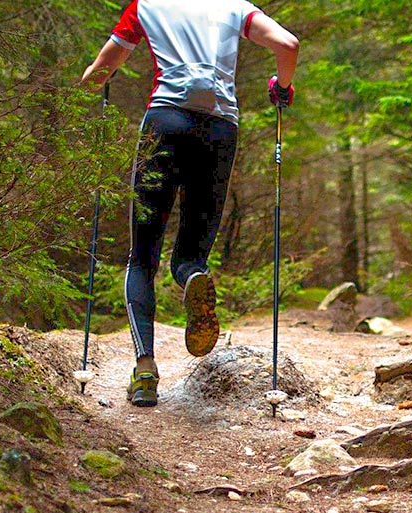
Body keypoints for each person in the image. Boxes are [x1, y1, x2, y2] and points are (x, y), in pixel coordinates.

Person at [80, 0, 299, 407]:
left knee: (142, 255)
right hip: (219, 129)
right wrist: (281, 89)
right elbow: (287, 44)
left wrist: (94, 79)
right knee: (190, 254)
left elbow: (101, 71)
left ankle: (145, 371)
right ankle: (192, 277)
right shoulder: (236, 8)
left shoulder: (145, 6)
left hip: (165, 122)